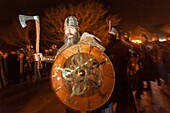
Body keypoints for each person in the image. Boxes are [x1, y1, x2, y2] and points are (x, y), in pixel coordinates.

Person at [103, 27, 137, 113]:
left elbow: (132, 56)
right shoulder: (110, 46)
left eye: (110, 35)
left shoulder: (121, 45)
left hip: (118, 74)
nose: (109, 37)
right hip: (114, 74)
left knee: (121, 95)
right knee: (119, 95)